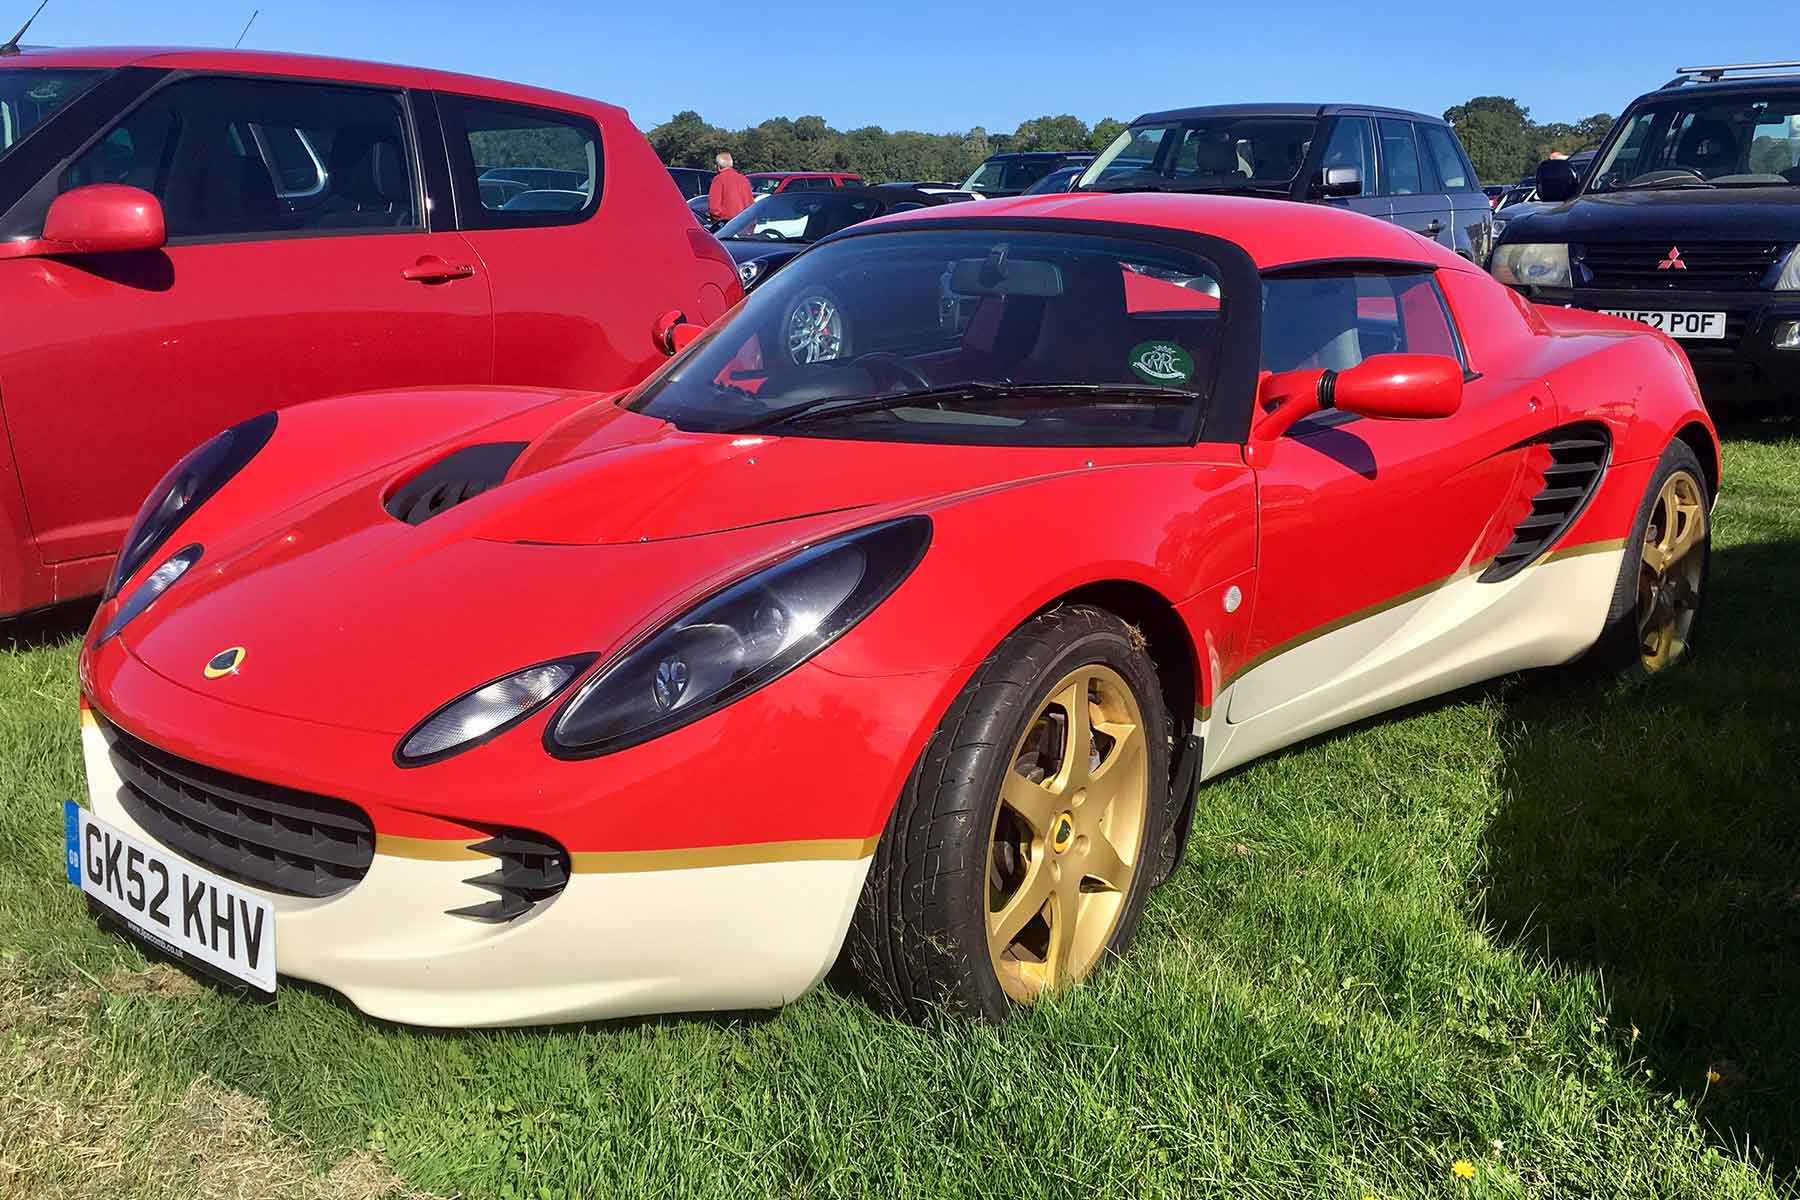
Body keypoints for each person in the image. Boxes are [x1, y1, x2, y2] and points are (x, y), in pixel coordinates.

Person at [706, 151, 754, 223]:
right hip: (744, 223)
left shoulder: (718, 179)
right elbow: (750, 204)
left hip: (727, 224)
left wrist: (718, 220)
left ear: (718, 166)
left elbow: (714, 208)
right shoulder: (744, 179)